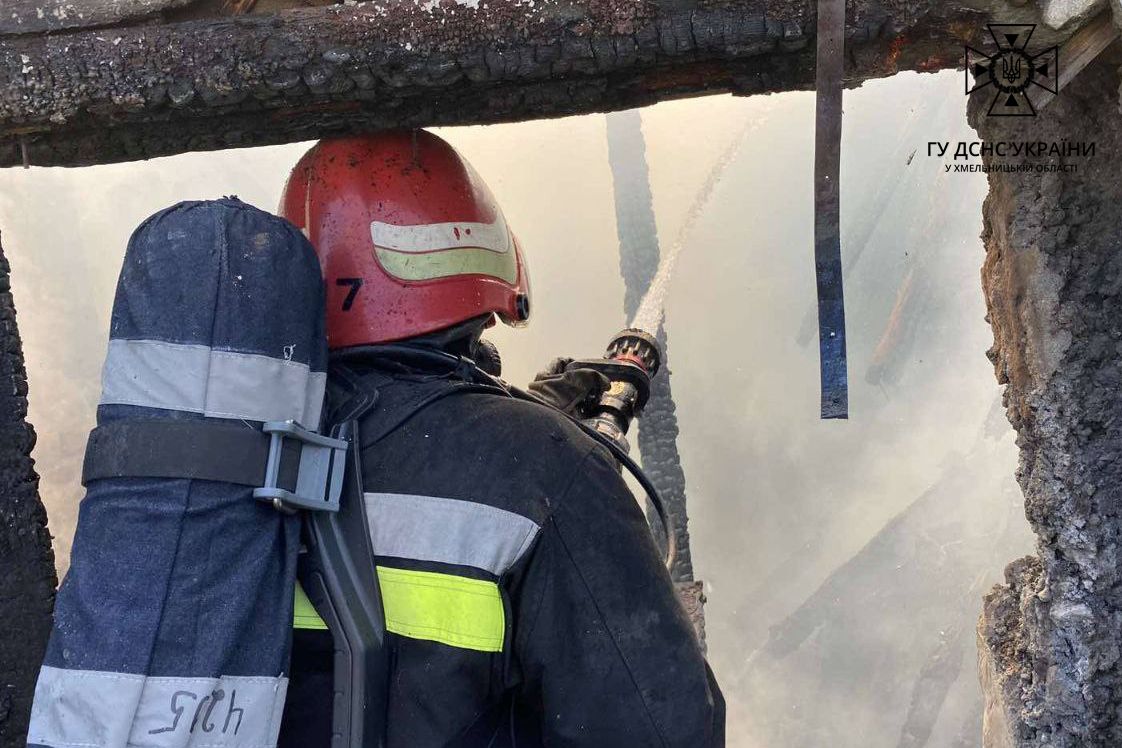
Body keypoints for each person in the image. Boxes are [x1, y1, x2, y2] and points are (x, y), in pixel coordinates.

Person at [276, 130, 725, 747]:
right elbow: (664, 729)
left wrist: (532, 415)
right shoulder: (549, 472)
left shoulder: (245, 450)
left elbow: (399, 455)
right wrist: (550, 449)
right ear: (471, 257)